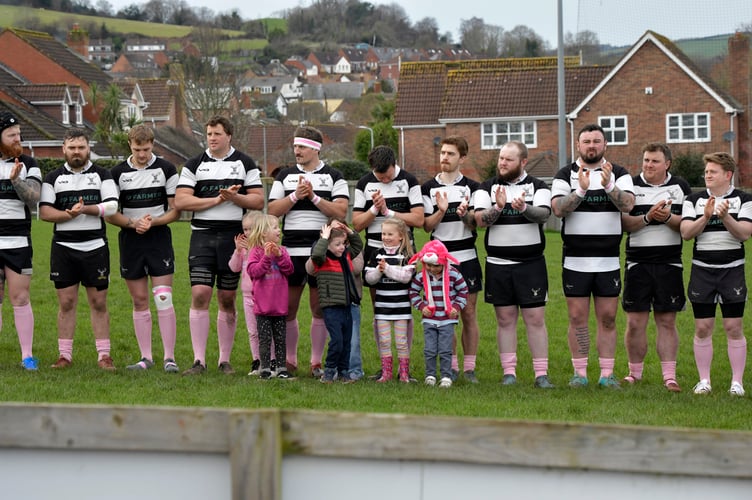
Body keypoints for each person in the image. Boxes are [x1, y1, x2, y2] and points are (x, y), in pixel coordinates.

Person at [175, 115, 264, 375]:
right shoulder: (194, 164)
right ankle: (198, 361)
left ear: (229, 136)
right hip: (202, 236)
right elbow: (181, 201)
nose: (212, 138)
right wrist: (214, 201)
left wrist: (235, 198)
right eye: (209, 134)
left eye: (217, 134)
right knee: (200, 293)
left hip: (234, 239)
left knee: (227, 298)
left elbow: (258, 201)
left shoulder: (245, 163)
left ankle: (224, 360)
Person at [551, 124, 635, 388]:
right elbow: (557, 209)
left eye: (596, 141)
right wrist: (581, 191)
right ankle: (580, 373)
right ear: (578, 145)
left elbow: (629, 205)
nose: (591, 146)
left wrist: (609, 185)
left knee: (608, 318)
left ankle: (607, 375)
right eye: (586, 141)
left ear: (605, 144)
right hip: (576, 259)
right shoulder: (566, 174)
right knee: (577, 319)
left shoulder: (618, 173)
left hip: (608, 260)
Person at [267, 126, 349, 377]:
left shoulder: (335, 176)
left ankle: (316, 363)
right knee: (288, 308)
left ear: (316, 148)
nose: (297, 151)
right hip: (290, 252)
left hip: (320, 252)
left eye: (301, 146)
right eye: (295, 146)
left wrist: (313, 197)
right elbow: (272, 211)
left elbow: (341, 212)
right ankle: (290, 361)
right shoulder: (285, 176)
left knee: (318, 308)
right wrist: (294, 196)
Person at [474, 141, 554, 389]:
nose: (502, 163)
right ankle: (509, 373)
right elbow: (479, 220)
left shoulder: (538, 186)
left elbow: (544, 214)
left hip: (530, 265)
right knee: (505, 319)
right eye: (500, 158)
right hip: (498, 264)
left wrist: (524, 208)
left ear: (523, 162)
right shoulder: (486, 187)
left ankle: (541, 374)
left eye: (508, 159)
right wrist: (498, 207)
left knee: (535, 318)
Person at [39, 128, 119, 370]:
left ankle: (104, 355)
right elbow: (44, 212)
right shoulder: (52, 178)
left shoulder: (102, 175)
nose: (76, 152)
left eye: (81, 147)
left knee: (98, 302)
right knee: (66, 302)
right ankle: (65, 356)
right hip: (63, 247)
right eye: (72, 148)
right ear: (64, 149)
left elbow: (113, 206)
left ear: (88, 149)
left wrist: (86, 210)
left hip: (95, 247)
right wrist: (68, 214)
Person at [106, 124, 181, 373]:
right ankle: (146, 358)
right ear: (130, 144)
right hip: (131, 241)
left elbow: (176, 211)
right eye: (137, 149)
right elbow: (110, 214)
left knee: (163, 297)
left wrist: (152, 222)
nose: (142, 154)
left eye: (146, 149)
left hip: (158, 238)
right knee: (139, 300)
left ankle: (170, 358)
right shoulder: (117, 173)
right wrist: (133, 223)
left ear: (153, 145)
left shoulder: (166, 168)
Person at [680, 152, 752, 397]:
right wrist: (706, 216)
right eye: (706, 172)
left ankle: (737, 383)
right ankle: (704, 381)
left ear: (728, 175)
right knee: (702, 327)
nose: (707, 175)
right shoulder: (694, 199)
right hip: (702, 271)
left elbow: (743, 234)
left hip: (732, 271)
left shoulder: (744, 199)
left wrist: (726, 216)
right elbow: (686, 233)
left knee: (733, 326)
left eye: (713, 172)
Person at [621, 143, 691, 392]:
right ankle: (634, 373)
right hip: (637, 263)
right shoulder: (630, 185)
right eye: (646, 160)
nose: (648, 165)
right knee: (635, 322)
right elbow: (624, 224)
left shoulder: (680, 187)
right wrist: (649, 217)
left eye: (654, 161)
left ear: (667, 164)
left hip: (669, 263)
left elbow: (688, 226)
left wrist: (668, 218)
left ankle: (669, 376)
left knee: (667, 321)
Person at [353, 145, 424, 379]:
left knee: (403, 306)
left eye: (387, 175)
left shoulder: (409, 181)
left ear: (395, 163)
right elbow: (357, 224)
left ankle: (404, 367)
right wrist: (374, 209)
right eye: (379, 176)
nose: (383, 179)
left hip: (404, 251)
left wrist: (389, 212)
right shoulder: (364, 183)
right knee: (380, 308)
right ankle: (385, 366)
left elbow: (418, 218)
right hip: (375, 251)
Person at [421, 136, 481, 383]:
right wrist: (442, 211)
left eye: (450, 154)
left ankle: (470, 368)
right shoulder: (427, 189)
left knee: (468, 312)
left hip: (467, 257)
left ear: (462, 158)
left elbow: (478, 223)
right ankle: (452, 366)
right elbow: (426, 226)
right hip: (439, 262)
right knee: (446, 313)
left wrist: (464, 214)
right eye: (443, 153)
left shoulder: (474, 188)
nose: (444, 157)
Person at [0, 112, 41, 371]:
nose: (18, 139)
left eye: (19, 134)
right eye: (11, 135)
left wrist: (16, 179)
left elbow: (34, 198)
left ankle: (27, 357)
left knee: (21, 298)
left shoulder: (29, 163)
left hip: (18, 242)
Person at [305, 220, 363, 383]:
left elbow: (358, 245)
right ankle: (330, 371)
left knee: (346, 342)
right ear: (327, 245)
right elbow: (316, 254)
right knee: (336, 341)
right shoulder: (322, 260)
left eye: (343, 243)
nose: (342, 247)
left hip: (347, 306)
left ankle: (344, 372)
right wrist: (324, 238)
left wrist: (349, 231)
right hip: (331, 307)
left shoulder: (346, 256)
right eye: (337, 244)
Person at [408, 240, 468, 388]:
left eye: (436, 265)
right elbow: (413, 292)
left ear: (444, 262)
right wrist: (422, 306)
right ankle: (430, 375)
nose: (432, 269)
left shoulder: (453, 274)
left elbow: (463, 291)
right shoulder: (422, 276)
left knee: (446, 349)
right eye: (428, 265)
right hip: (429, 319)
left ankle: (446, 376)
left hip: (447, 319)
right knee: (429, 349)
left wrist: (456, 306)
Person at [364, 217, 415, 383]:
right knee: (384, 341)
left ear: (400, 235)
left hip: (401, 308)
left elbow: (406, 277)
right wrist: (379, 271)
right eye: (383, 233)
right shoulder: (376, 254)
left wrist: (387, 268)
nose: (385, 237)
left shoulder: (406, 254)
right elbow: (369, 279)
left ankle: (404, 374)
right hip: (382, 308)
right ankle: (386, 373)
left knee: (401, 342)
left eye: (389, 234)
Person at [247, 213, 294, 379]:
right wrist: (267, 257)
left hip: (280, 306)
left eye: (278, 227)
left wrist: (279, 256)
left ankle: (281, 368)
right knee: (265, 339)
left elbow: (289, 270)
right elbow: (254, 272)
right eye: (275, 227)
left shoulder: (282, 251)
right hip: (263, 307)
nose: (279, 231)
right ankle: (265, 368)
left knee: (281, 339)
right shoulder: (256, 252)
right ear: (263, 233)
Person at [228, 210, 268, 375]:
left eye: (251, 229)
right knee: (253, 331)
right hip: (247, 296)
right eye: (245, 229)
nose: (247, 233)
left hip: (265, 295)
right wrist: (238, 252)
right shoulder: (243, 250)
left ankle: (270, 361)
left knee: (266, 330)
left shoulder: (265, 248)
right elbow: (233, 267)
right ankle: (256, 360)